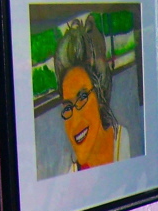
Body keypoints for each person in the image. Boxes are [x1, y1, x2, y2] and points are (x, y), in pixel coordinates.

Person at [53, 16, 130, 171]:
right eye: (68, 107)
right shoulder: (72, 175)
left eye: (82, 98)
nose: (75, 121)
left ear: (100, 95)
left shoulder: (122, 142)